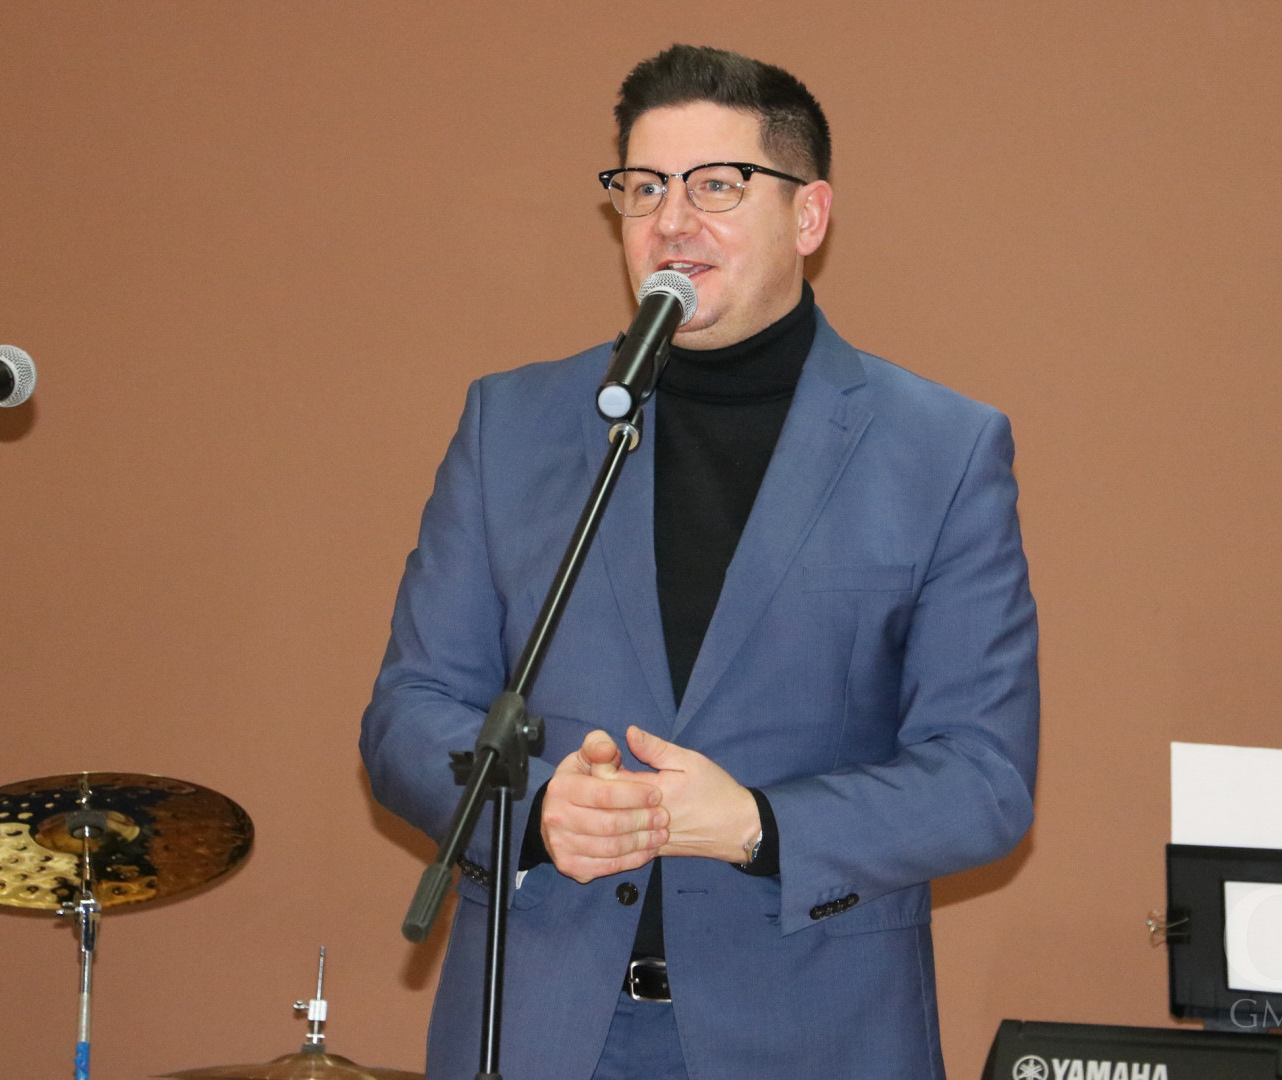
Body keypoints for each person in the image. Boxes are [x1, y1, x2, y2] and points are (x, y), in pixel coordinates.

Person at [361, 44, 1039, 1080]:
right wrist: (536, 811)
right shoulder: (513, 426)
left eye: (716, 185)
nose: (672, 221)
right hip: (541, 1033)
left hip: (812, 1039)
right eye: (643, 188)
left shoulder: (939, 450)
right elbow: (408, 713)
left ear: (809, 216)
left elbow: (982, 779)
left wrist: (759, 825)